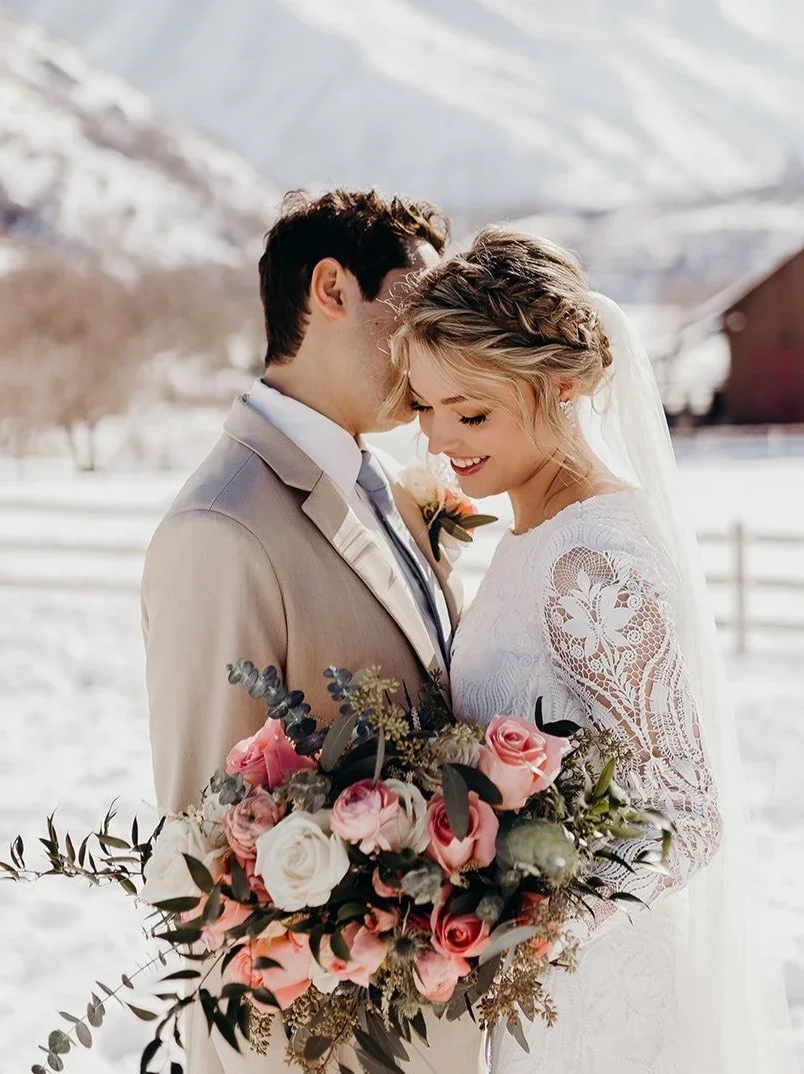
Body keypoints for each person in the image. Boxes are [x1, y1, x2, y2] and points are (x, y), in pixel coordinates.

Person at [390, 228, 797, 1074]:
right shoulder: (531, 531)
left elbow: (687, 815)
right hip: (530, 996)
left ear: (565, 386)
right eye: (425, 405)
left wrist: (528, 927)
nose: (439, 438)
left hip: (594, 1004)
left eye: (472, 413)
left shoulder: (591, 563)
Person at [141, 189, 483, 1074]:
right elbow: (208, 853)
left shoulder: (388, 489)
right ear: (331, 289)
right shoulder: (224, 527)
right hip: (319, 1046)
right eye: (416, 305)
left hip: (428, 1020)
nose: (434, 340)